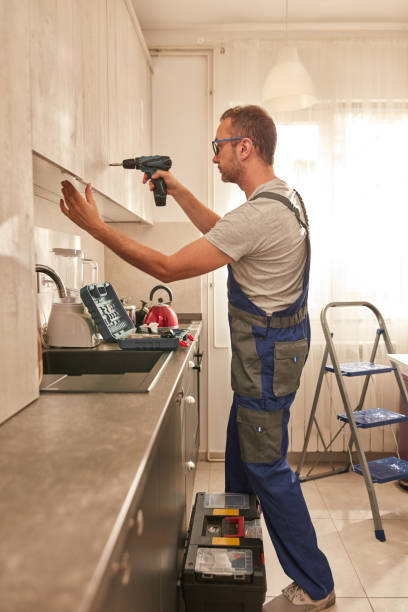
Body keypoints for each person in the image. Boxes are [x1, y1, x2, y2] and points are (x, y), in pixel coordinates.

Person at [60, 104, 335, 611]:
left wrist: (95, 227)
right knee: (241, 462)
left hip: (267, 361)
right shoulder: (282, 201)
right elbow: (223, 234)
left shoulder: (262, 213)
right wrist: (178, 187)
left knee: (268, 470)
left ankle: (317, 586)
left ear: (244, 148)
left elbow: (168, 264)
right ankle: (234, 566)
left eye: (219, 145)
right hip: (270, 359)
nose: (215, 156)